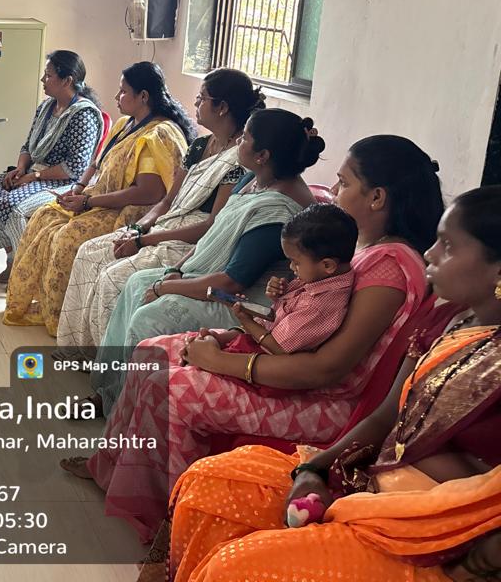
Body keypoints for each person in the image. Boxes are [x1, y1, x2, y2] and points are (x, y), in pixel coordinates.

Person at [75, 135, 445, 543]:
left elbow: (326, 369)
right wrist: (235, 334)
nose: (334, 191)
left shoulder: (389, 270)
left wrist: (222, 362)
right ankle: (115, 471)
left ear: (376, 197)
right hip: (289, 364)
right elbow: (307, 324)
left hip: (325, 402)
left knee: (175, 387)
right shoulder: (364, 251)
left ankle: (175, 523)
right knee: (152, 351)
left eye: (343, 183)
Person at [158, 186, 501, 582]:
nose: (430, 253)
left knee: (233, 568)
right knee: (207, 485)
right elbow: (388, 416)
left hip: (433, 534)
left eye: (449, 246)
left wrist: (472, 564)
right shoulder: (445, 320)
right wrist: (315, 469)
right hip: (372, 479)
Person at [89, 108, 325, 414]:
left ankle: (129, 412)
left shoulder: (278, 212)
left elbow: (232, 283)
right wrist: (175, 272)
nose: (239, 142)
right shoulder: (254, 179)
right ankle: (111, 391)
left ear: (263, 155)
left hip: (242, 305)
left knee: (150, 317)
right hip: (209, 278)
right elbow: (213, 234)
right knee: (136, 282)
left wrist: (166, 287)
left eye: (245, 138)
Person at [55, 68, 261, 352]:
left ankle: (114, 363)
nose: (196, 103)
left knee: (112, 278)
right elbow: (166, 202)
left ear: (222, 107)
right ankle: (81, 349)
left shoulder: (238, 160)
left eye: (202, 98)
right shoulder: (200, 146)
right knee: (89, 253)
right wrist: (139, 228)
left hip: (188, 239)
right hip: (166, 223)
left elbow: (211, 225)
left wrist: (144, 240)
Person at [2, 61, 194, 334]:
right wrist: (79, 189)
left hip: (130, 209)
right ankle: (46, 306)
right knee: (45, 216)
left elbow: (148, 192)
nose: (116, 97)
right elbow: (96, 162)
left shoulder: (157, 135)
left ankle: (63, 318)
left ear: (143, 96)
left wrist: (88, 203)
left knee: (66, 237)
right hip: (99, 197)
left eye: (123, 91)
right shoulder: (125, 124)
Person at [0, 50, 105, 284]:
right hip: (34, 172)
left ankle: (24, 269)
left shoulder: (82, 115)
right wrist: (20, 169)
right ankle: (13, 255)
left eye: (48, 75)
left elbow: (75, 167)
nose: (43, 80)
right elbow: (28, 145)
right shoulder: (47, 107)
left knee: (15, 208)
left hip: (63, 182)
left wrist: (34, 176)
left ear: (66, 81)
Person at [220, 203, 358, 358]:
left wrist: (246, 321)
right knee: (205, 340)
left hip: (262, 358)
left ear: (327, 265)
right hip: (253, 340)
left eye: (296, 262)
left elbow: (278, 348)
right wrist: (280, 295)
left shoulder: (318, 307)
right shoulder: (320, 277)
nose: (291, 267)